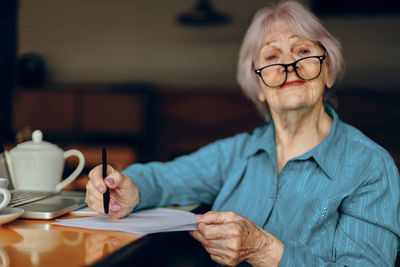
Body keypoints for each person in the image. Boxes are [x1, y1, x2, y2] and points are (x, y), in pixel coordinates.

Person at [85, 1, 400, 266]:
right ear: (258, 86)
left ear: (328, 71)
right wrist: (129, 188)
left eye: (302, 50)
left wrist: (264, 250)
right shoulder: (236, 153)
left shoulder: (370, 165)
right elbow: (165, 178)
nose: (289, 64)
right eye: (272, 57)